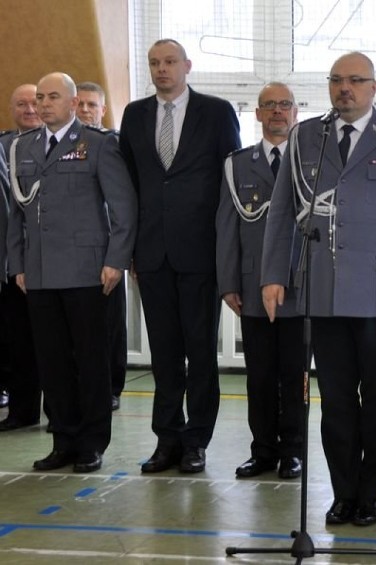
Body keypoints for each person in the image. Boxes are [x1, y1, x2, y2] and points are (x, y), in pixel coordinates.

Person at [261, 51, 376, 526]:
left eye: (356, 80)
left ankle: (371, 492)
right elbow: (282, 213)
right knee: (336, 400)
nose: (345, 88)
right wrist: (274, 275)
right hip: (322, 288)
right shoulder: (306, 137)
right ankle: (343, 491)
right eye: (337, 80)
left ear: (374, 87)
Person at [119, 39, 241, 473]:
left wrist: (230, 251)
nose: (161, 70)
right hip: (151, 252)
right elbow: (129, 186)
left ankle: (196, 441)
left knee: (200, 350)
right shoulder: (135, 114)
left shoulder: (216, 111)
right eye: (154, 63)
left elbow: (234, 180)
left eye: (170, 62)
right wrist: (130, 249)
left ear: (187, 66)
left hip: (201, 252)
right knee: (164, 353)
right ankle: (166, 439)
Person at [6, 72, 137, 472]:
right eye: (39, 97)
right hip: (41, 272)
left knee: (90, 361)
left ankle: (91, 444)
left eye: (52, 97)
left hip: (87, 271)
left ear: (73, 101)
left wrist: (116, 260)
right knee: (53, 361)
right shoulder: (22, 148)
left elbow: (123, 207)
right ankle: (62, 440)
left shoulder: (96, 145)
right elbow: (17, 214)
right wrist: (17, 265)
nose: (43, 105)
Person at [215, 82, 304, 480]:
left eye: (284, 105)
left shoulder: (310, 161)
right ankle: (263, 451)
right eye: (269, 106)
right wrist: (228, 281)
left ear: (296, 111)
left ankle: (293, 452)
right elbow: (227, 226)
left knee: (295, 375)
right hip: (252, 288)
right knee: (260, 375)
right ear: (257, 114)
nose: (277, 112)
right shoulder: (237, 164)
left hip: (298, 287)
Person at [75, 81, 127, 412]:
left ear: (103, 110)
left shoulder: (112, 144)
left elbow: (124, 203)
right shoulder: (58, 146)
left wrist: (120, 255)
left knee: (109, 326)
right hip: (72, 254)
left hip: (107, 249)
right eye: (78, 104)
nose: (84, 110)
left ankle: (111, 388)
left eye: (91, 105)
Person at [0, 84, 43, 432]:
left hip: (51, 263)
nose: (29, 109)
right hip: (13, 265)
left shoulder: (60, 146)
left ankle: (62, 416)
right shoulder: (4, 146)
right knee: (18, 344)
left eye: (36, 102)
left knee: (61, 346)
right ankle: (22, 410)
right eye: (22, 104)